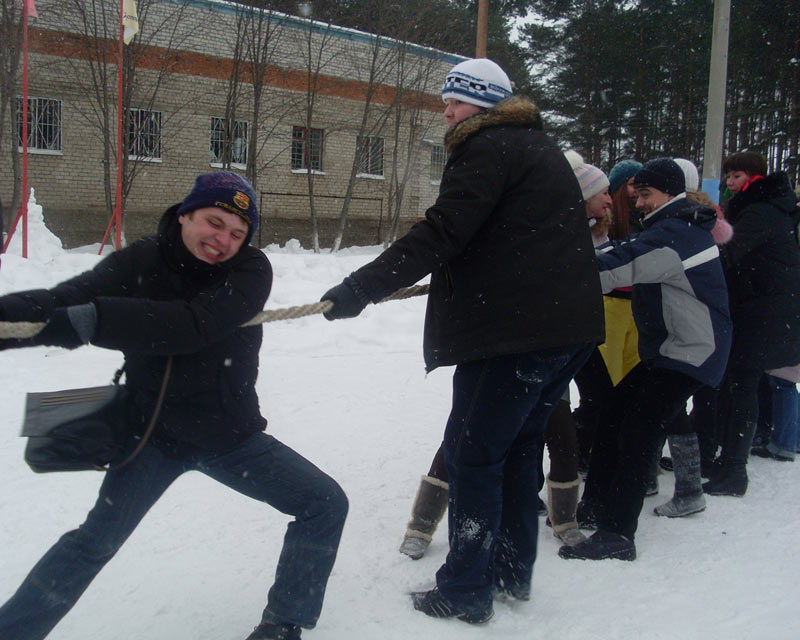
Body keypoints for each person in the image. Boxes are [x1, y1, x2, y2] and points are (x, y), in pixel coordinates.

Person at [0, 172, 348, 640]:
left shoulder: (250, 270)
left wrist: (96, 319)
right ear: (185, 214)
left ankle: (283, 625)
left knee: (324, 503)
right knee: (92, 542)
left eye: (237, 233)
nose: (223, 239)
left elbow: (194, 326)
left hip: (231, 440)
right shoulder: (142, 260)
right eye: (214, 221)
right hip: (152, 439)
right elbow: (64, 301)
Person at [321, 58, 604, 622]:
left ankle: (466, 590)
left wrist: (362, 286)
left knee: (474, 458)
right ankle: (509, 574)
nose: (446, 112)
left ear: (484, 104)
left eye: (455, 102)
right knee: (518, 452)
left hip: (512, 337)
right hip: (562, 332)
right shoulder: (540, 149)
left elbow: (444, 231)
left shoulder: (487, 146)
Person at [562, 158, 731, 561]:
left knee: (638, 431)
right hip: (672, 349)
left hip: (691, 351)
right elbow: (626, 250)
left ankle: (618, 533)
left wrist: (554, 270)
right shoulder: (672, 228)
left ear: (670, 194)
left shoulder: (676, 234)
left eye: (646, 195)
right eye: (636, 195)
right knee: (613, 413)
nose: (638, 203)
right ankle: (598, 506)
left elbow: (617, 266)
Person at [702, 151, 800, 495]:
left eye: (737, 177)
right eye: (728, 177)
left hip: (763, 310)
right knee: (738, 382)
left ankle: (734, 470)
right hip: (762, 307)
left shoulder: (759, 211)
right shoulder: (765, 207)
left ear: (755, 178)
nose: (730, 183)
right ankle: (727, 461)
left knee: (743, 384)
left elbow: (731, 251)